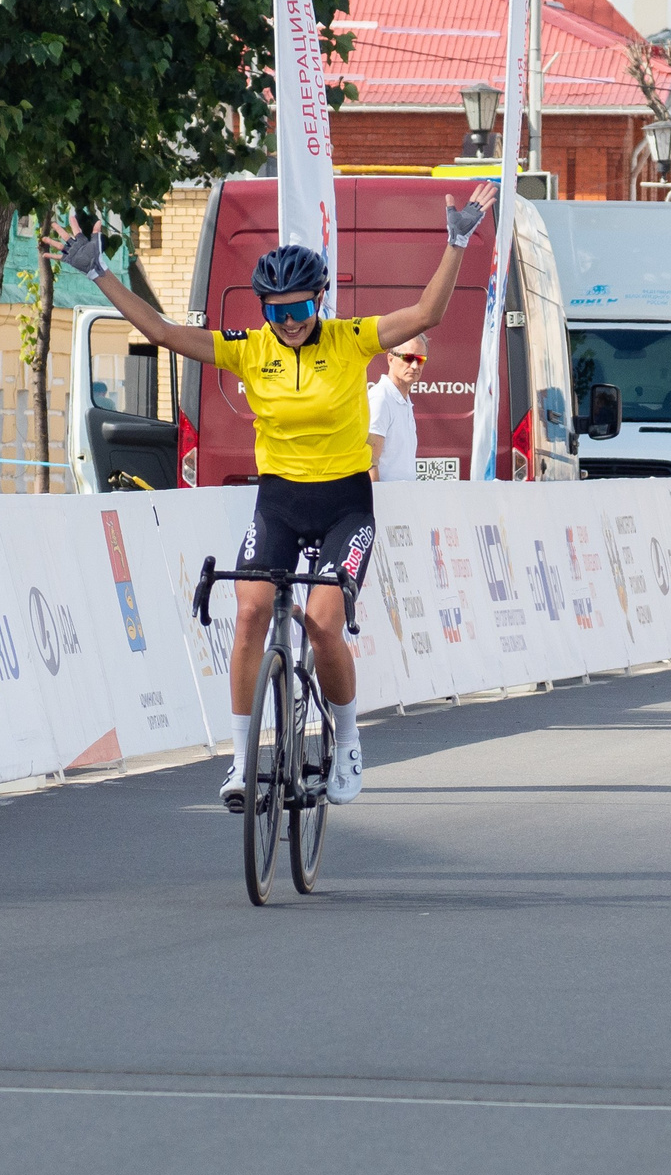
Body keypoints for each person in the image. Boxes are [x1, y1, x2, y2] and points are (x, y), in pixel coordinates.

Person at [57, 184, 497, 808]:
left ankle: (346, 742)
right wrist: (98, 270)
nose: (288, 323)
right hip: (279, 503)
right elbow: (157, 329)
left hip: (345, 504)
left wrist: (456, 241)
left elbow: (425, 315)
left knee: (321, 622)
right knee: (249, 612)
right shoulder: (250, 349)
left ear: (318, 300)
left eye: (299, 309)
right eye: (275, 311)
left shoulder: (349, 340)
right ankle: (240, 762)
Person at [367, 335, 423, 482]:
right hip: (387, 500)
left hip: (402, 498)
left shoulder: (403, 399)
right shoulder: (381, 398)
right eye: (409, 358)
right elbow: (368, 461)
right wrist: (378, 501)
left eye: (420, 359)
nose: (415, 366)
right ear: (391, 359)